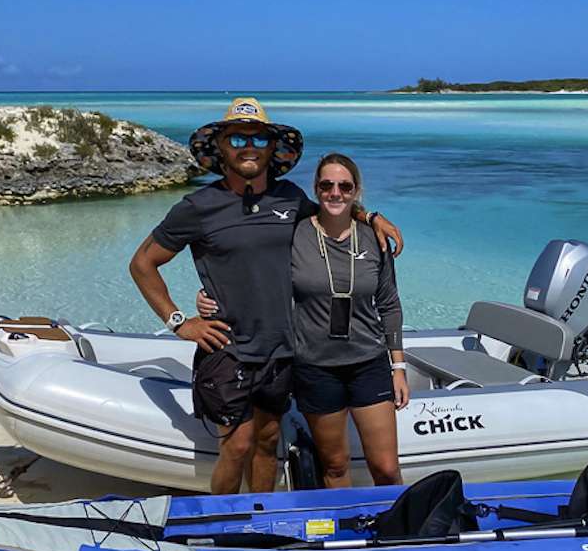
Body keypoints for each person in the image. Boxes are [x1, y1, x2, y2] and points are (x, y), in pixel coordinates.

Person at [128, 97, 401, 495]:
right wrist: (180, 321)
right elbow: (142, 263)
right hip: (228, 348)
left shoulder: (288, 198)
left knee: (268, 441)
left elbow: (333, 209)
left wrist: (371, 217)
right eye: (237, 139)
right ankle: (223, 519)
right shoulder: (197, 207)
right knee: (237, 446)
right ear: (221, 147)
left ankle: (261, 518)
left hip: (282, 350)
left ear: (273, 148)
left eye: (258, 139)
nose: (249, 147)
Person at [199, 153, 408, 487]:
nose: (335, 193)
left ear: (356, 190)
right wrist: (211, 296)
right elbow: (252, 268)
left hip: (368, 363)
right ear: (316, 189)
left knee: (385, 467)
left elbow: (389, 304)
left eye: (345, 186)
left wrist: (398, 367)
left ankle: (399, 518)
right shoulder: (294, 234)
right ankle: (343, 518)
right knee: (335, 466)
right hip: (314, 367)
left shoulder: (374, 237)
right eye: (327, 185)